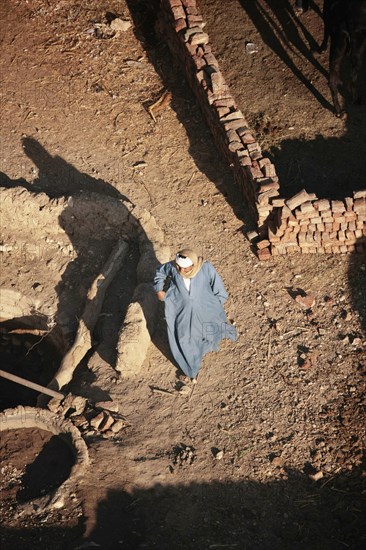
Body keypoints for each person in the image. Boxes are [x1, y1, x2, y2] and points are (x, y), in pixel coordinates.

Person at [153, 248, 237, 381]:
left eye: (185, 268)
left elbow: (218, 287)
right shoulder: (172, 267)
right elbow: (160, 273)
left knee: (206, 328)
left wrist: (214, 304)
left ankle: (205, 344)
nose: (182, 271)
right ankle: (190, 368)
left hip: (204, 307)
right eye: (179, 268)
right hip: (180, 308)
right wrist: (159, 290)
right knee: (183, 336)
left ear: (193, 264)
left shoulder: (205, 268)